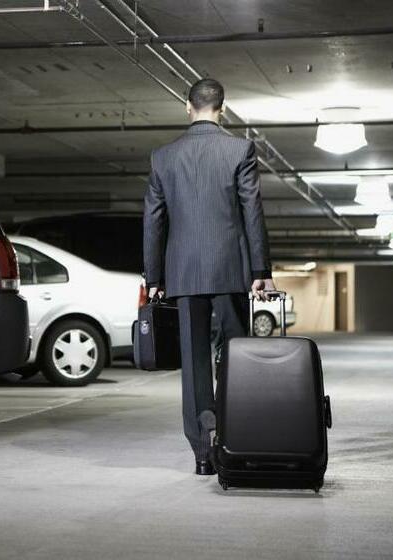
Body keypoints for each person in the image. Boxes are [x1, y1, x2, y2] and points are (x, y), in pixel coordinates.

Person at [143, 78, 275, 476]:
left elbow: (152, 220)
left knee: (194, 363)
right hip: (230, 270)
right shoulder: (239, 149)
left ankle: (202, 452)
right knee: (237, 356)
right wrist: (260, 270)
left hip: (183, 273)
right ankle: (237, 439)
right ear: (222, 108)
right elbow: (252, 211)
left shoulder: (163, 157)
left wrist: (154, 275)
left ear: (188, 107)